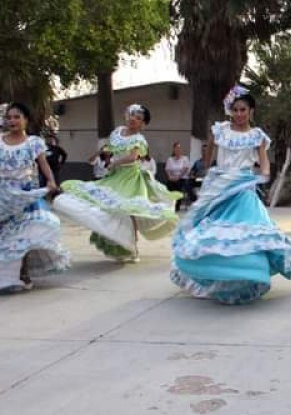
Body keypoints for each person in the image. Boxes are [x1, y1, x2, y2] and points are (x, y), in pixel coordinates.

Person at [171, 87, 291, 304]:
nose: (239, 114)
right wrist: (206, 177)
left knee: (246, 232)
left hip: (243, 186)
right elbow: (207, 160)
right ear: (230, 110)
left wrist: (264, 174)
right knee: (215, 230)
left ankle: (245, 276)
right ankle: (217, 277)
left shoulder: (257, 136)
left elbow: (263, 162)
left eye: (243, 109)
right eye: (235, 109)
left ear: (251, 111)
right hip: (221, 184)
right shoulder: (219, 131)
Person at [53, 104, 181, 262]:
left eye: (139, 118)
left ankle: (133, 246)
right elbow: (108, 147)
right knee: (105, 205)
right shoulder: (118, 132)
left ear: (143, 124)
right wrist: (96, 155)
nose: (134, 119)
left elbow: (133, 158)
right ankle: (116, 240)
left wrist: (115, 162)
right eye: (133, 115)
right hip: (115, 176)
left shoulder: (139, 139)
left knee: (129, 210)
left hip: (130, 177)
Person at [0, 102, 70, 292]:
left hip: (25, 196)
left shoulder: (33, 142)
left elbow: (43, 164)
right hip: (3, 197)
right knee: (4, 235)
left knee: (25, 232)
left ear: (26, 120)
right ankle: (8, 274)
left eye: (17, 117)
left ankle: (22, 271)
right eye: (9, 117)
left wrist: (50, 181)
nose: (12, 121)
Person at [164, 141, 191, 211]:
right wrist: (170, 177)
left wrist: (178, 177)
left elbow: (185, 169)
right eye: (176, 148)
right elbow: (167, 170)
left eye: (179, 148)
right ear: (173, 149)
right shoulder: (170, 159)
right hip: (172, 178)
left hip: (182, 178)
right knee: (169, 184)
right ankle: (171, 204)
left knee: (179, 185)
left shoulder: (185, 158)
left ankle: (177, 206)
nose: (177, 150)